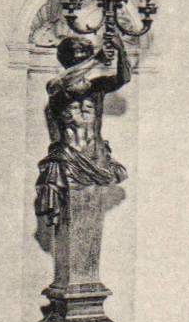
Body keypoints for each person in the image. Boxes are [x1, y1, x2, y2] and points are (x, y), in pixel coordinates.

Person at [34, 35, 130, 228]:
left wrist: (121, 51)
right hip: (68, 159)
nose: (83, 59)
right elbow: (62, 82)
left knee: (92, 219)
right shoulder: (57, 88)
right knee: (71, 220)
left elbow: (124, 78)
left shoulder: (96, 88)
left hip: (97, 157)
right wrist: (96, 60)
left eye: (85, 55)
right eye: (79, 56)